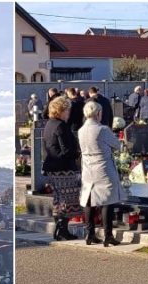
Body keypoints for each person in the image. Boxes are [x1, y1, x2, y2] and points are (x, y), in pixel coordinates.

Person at [78, 100, 123, 247]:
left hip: (88, 168)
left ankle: (90, 233)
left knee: (89, 199)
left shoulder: (81, 130)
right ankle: (108, 235)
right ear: (98, 113)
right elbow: (117, 145)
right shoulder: (102, 129)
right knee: (107, 201)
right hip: (103, 168)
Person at [43, 96, 82, 241]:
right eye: (67, 110)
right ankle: (62, 230)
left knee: (58, 200)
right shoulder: (61, 126)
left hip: (52, 168)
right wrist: (77, 153)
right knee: (67, 200)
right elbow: (65, 150)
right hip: (63, 168)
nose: (69, 112)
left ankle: (60, 230)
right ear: (61, 110)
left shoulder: (49, 124)